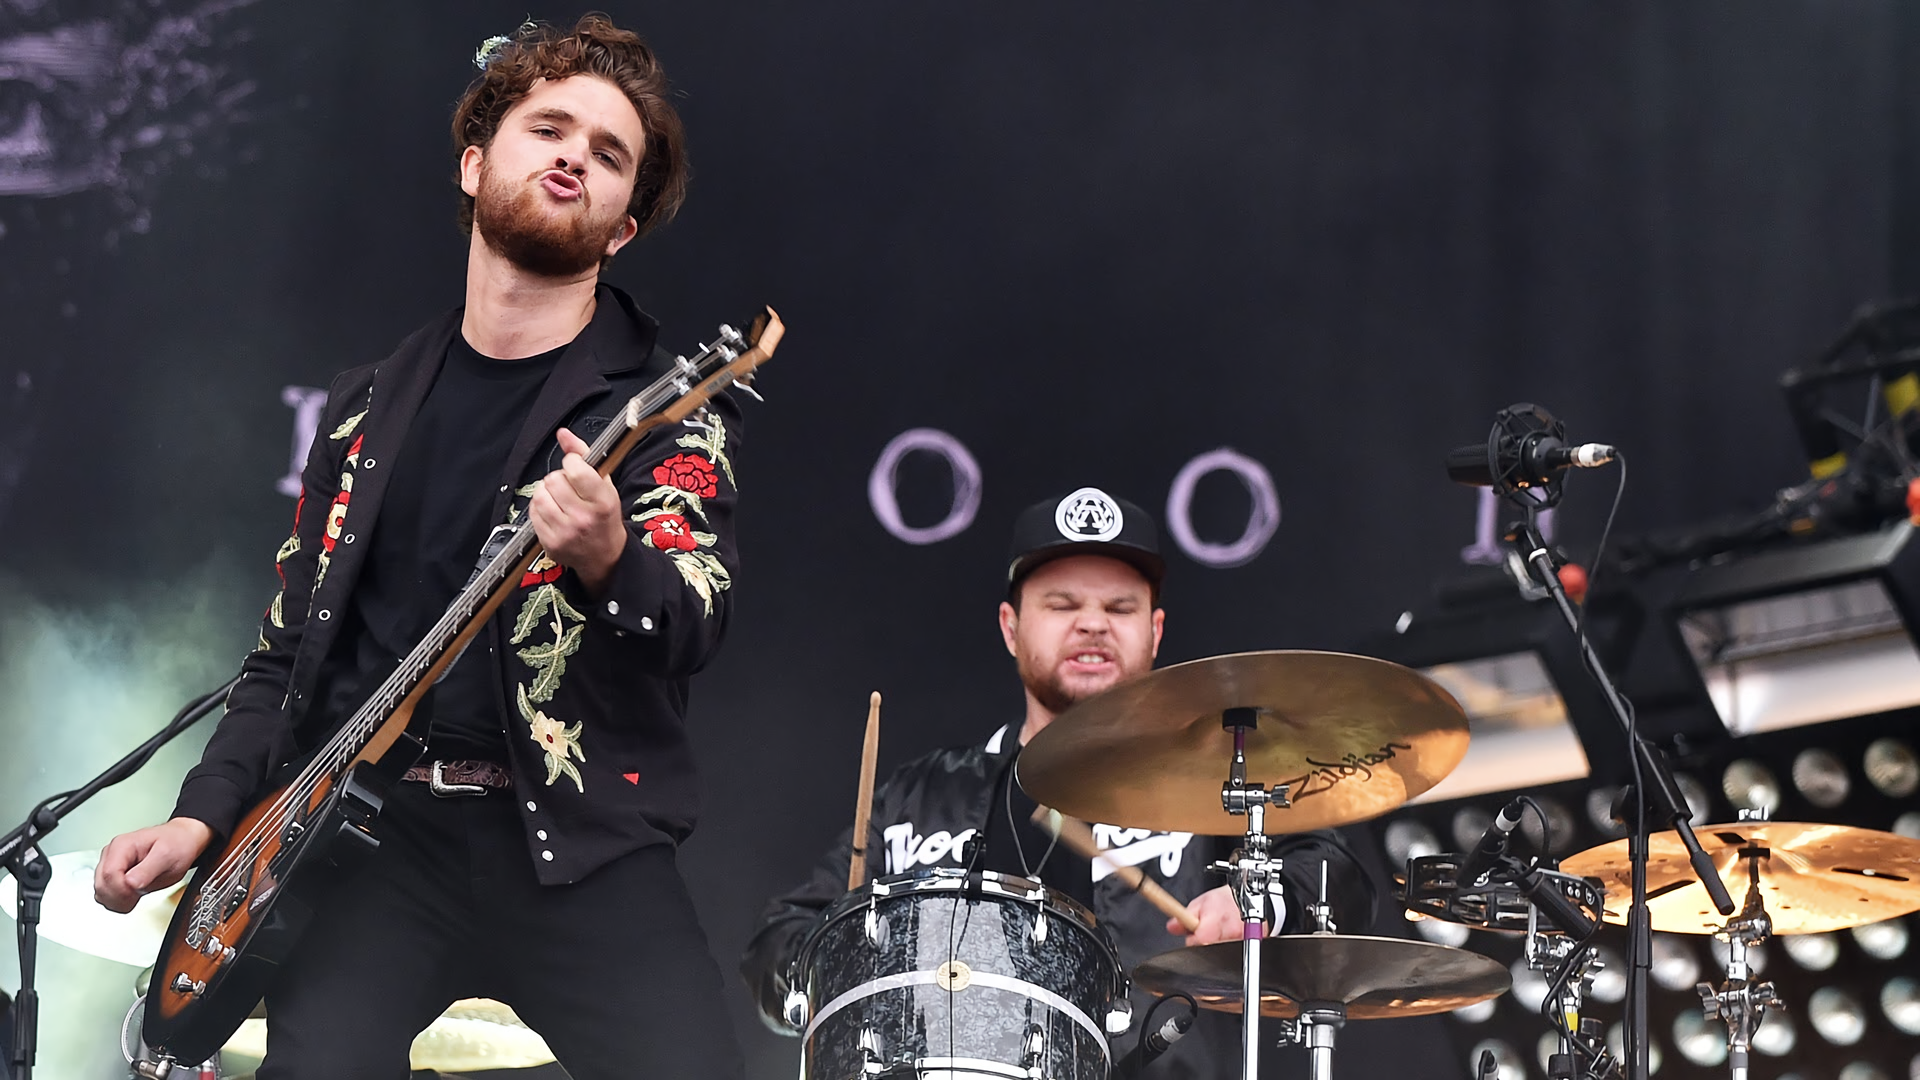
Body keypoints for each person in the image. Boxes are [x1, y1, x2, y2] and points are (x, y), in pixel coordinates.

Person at [90, 17, 746, 1080]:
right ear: (477, 163)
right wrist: (200, 821)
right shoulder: (363, 410)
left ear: (623, 226)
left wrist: (609, 554)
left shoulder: (660, 407)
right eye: (549, 128)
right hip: (373, 843)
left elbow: (693, 618)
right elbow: (282, 663)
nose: (576, 154)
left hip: (581, 847)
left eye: (610, 152)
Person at [740, 488, 1379, 1079]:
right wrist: (851, 963)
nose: (1093, 624)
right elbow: (779, 941)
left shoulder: (1220, 783)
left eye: (1119, 608)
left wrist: (1259, 903)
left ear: (1155, 632)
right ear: (1011, 628)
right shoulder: (922, 796)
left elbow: (1337, 879)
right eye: (1063, 605)